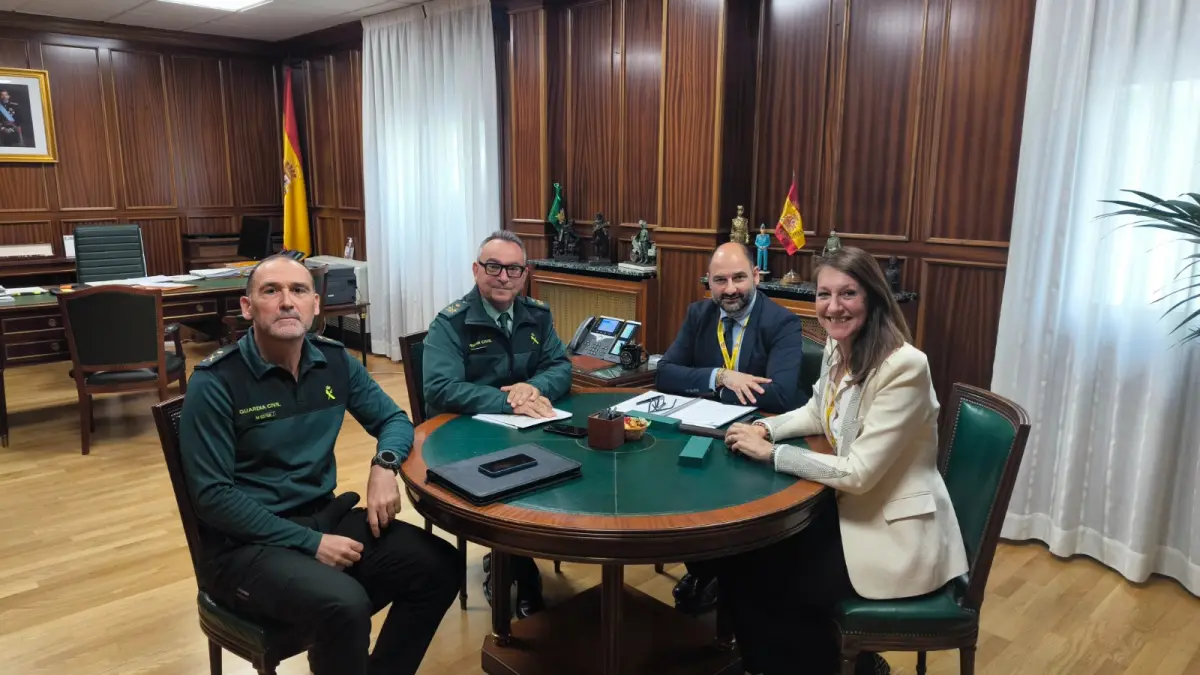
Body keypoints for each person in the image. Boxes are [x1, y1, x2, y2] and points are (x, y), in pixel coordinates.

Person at [179, 255, 461, 675]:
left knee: (440, 566)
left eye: (298, 290)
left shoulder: (334, 362)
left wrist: (384, 465)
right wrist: (309, 543)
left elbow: (395, 420)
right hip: (243, 547)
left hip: (322, 516)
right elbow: (213, 498)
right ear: (247, 307)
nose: (286, 301)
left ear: (315, 305)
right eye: (271, 291)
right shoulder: (216, 381)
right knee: (344, 605)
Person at [720, 246, 969, 675]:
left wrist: (774, 453)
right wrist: (766, 428)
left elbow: (858, 473)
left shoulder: (905, 367)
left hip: (892, 533)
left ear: (872, 297)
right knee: (742, 555)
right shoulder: (839, 347)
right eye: (824, 294)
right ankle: (767, 664)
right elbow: (819, 411)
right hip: (845, 512)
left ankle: (825, 665)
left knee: (775, 576)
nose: (834, 307)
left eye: (848, 293)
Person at [423, 229, 573, 618]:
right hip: (465, 436)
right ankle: (520, 571)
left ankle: (519, 554)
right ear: (476, 270)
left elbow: (560, 367)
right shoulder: (451, 322)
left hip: (526, 429)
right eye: (494, 267)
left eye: (513, 269)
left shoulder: (537, 315)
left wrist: (533, 387)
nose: (504, 277)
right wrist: (508, 401)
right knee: (510, 480)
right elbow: (440, 388)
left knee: (570, 463)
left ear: (525, 274)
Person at [655, 241, 807, 614]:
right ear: (708, 282)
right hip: (705, 433)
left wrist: (714, 391)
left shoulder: (781, 322)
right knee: (675, 487)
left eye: (739, 278)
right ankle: (704, 569)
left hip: (759, 438)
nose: (730, 289)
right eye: (720, 280)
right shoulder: (699, 315)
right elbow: (665, 373)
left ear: (756, 276)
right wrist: (722, 376)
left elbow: (781, 396)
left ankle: (730, 578)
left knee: (732, 504)